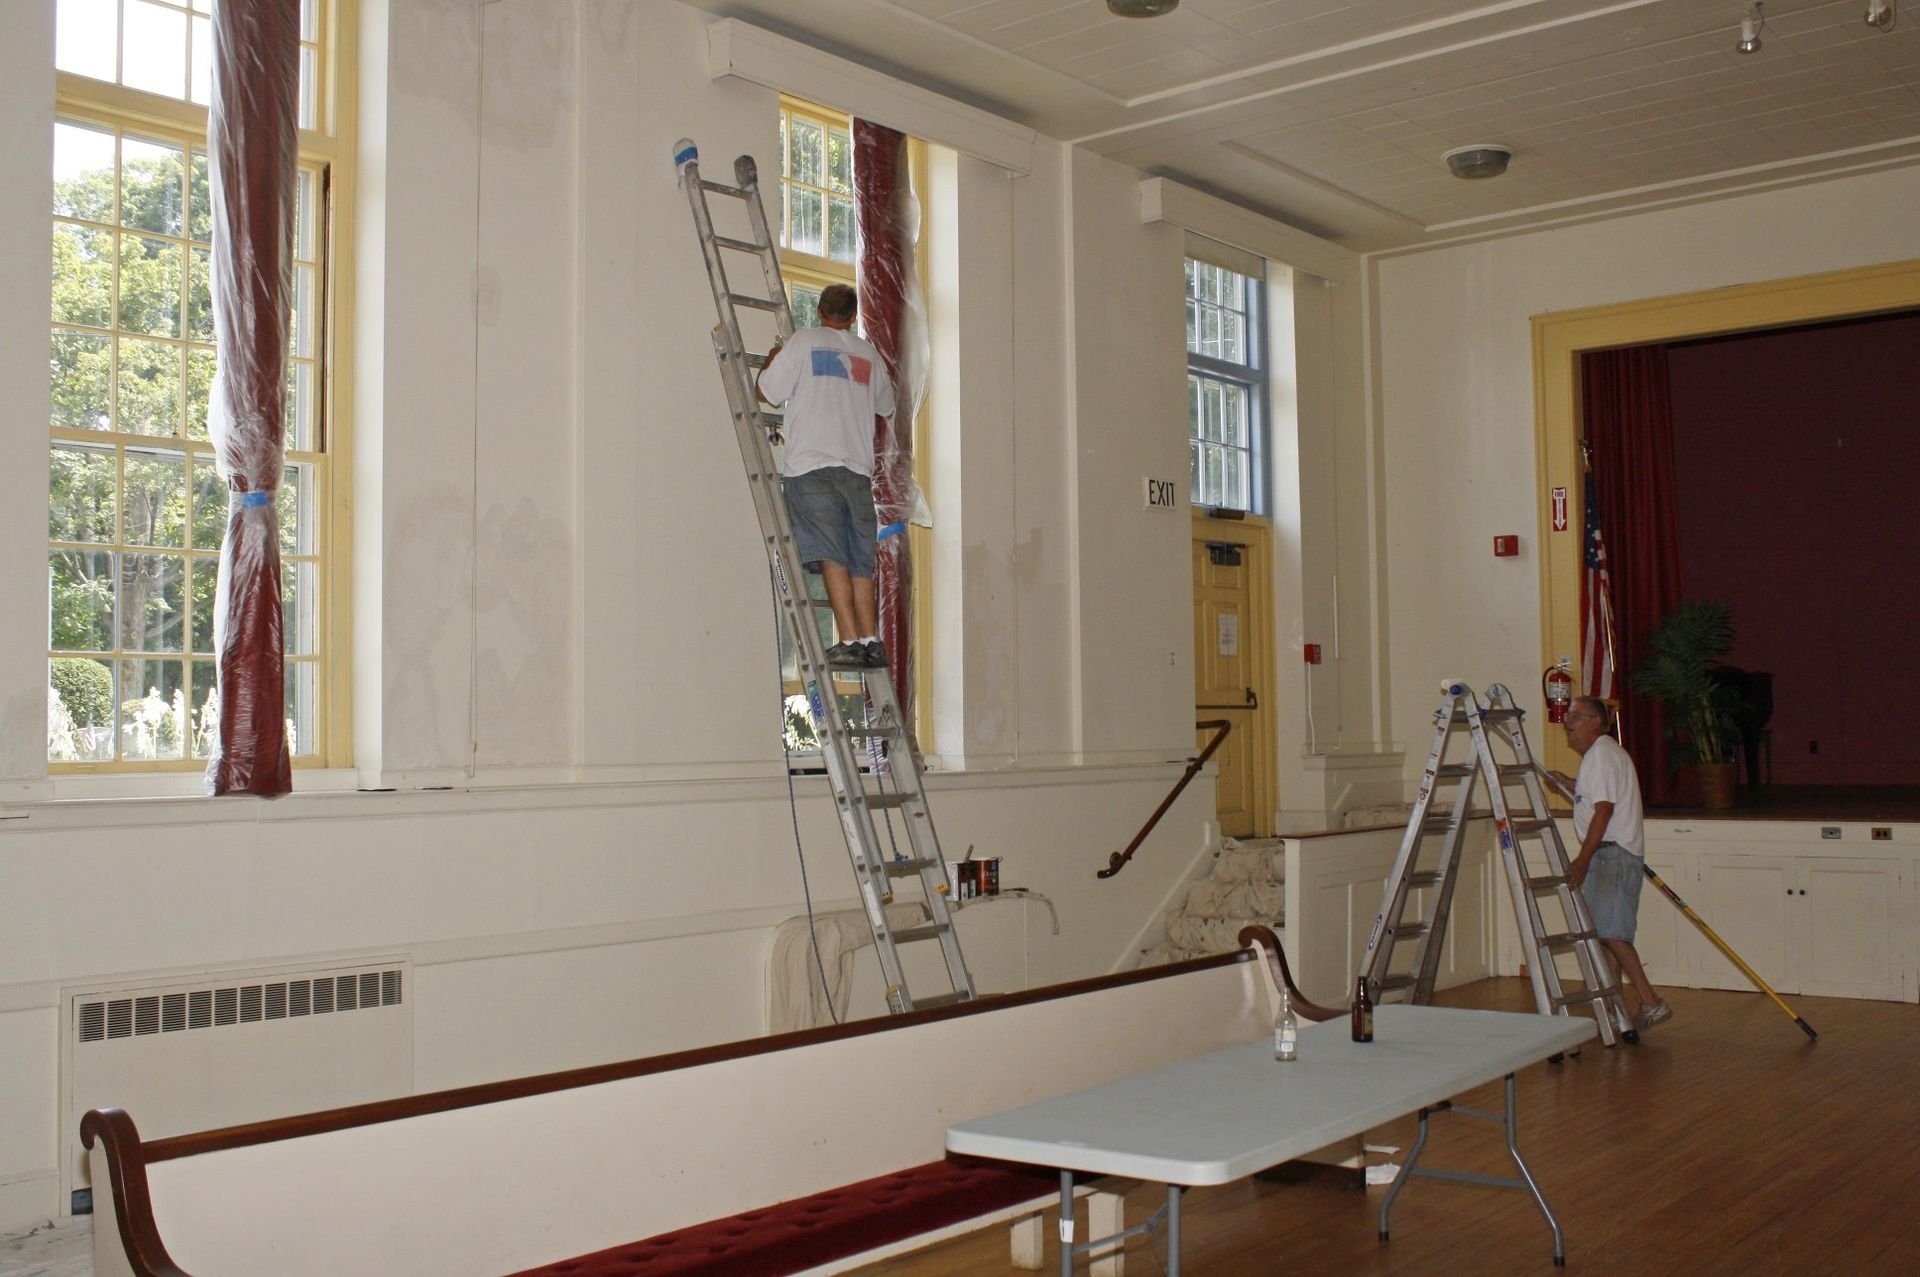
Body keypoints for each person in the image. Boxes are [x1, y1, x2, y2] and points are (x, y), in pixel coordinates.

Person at [755, 283, 896, 669]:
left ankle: (849, 640)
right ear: (852, 318)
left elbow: (766, 392)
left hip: (812, 467)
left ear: (819, 311)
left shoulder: (802, 343)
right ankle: (872, 640)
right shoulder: (868, 355)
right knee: (859, 559)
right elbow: (886, 403)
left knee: (833, 554)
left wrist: (772, 359)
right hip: (856, 470)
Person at [1547, 696, 1673, 1033]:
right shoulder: (1599, 756)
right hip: (1608, 854)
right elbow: (1592, 797)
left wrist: (1582, 860)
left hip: (1611, 854)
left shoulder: (1601, 755)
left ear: (1594, 722)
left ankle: (1651, 1002)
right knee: (1604, 934)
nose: (1567, 722)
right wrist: (1565, 783)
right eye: (1567, 715)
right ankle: (1615, 1011)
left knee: (1613, 934)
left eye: (1575, 716)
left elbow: (1604, 810)